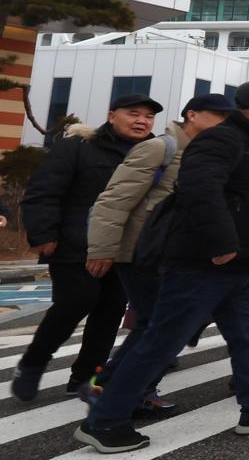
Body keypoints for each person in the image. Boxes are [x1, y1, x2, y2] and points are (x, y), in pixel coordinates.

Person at [75, 78, 249, 453]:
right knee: (162, 341)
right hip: (202, 263)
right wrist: (223, 244)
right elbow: (200, 191)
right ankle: (103, 421)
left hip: (248, 266)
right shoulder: (221, 140)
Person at [79, 93, 234, 413]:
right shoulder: (161, 148)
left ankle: (113, 385)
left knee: (159, 323)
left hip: (176, 253)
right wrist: (102, 249)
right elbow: (114, 200)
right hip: (142, 251)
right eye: (219, 116)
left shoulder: (210, 154)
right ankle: (117, 387)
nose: (225, 124)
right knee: (159, 323)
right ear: (192, 115)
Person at [12, 93, 159, 402]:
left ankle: (85, 376)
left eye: (148, 116)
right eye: (134, 113)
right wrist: (43, 234)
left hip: (125, 248)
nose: (142, 121)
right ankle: (32, 364)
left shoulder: (153, 152)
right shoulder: (78, 147)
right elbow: (43, 191)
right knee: (76, 302)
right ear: (112, 115)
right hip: (74, 243)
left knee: (110, 310)